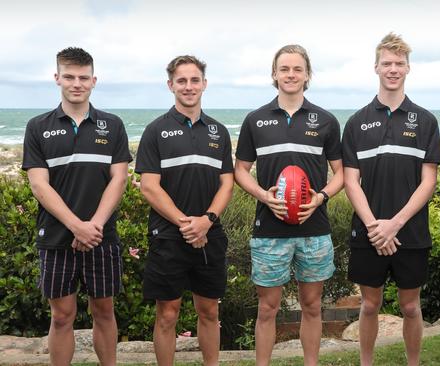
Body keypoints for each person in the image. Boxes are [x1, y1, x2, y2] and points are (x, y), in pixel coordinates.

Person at [234, 44, 344, 366]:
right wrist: (263, 196)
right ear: (274, 74)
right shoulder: (255, 120)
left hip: (315, 229)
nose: (291, 74)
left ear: (307, 74)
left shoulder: (325, 121)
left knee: (312, 305)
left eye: (297, 69)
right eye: (284, 69)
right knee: (267, 309)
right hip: (269, 230)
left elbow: (341, 174)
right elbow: (240, 170)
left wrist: (321, 197)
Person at [21, 47, 131, 366]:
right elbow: (39, 185)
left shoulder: (112, 125)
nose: (76, 83)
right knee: (61, 316)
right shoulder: (37, 126)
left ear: (94, 81)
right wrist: (76, 226)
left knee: (104, 311)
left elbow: (119, 180)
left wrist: (92, 226)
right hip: (56, 237)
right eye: (69, 76)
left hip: (101, 236)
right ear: (57, 78)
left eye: (83, 77)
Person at [342, 33, 440, 366]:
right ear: (376, 67)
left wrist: (394, 225)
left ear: (408, 68)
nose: (393, 69)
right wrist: (374, 226)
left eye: (399, 63)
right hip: (368, 232)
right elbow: (350, 180)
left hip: (409, 232)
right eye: (387, 63)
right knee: (369, 305)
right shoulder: (356, 122)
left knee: (411, 306)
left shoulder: (426, 121)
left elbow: (429, 181)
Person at [135, 55, 234, 366]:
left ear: (204, 84)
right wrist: (187, 225)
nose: (188, 87)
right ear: (171, 85)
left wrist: (206, 221)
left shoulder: (219, 132)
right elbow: (149, 186)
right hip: (168, 235)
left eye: (194, 80)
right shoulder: (155, 131)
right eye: (182, 81)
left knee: (210, 311)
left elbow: (227, 184)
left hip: (210, 234)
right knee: (167, 313)